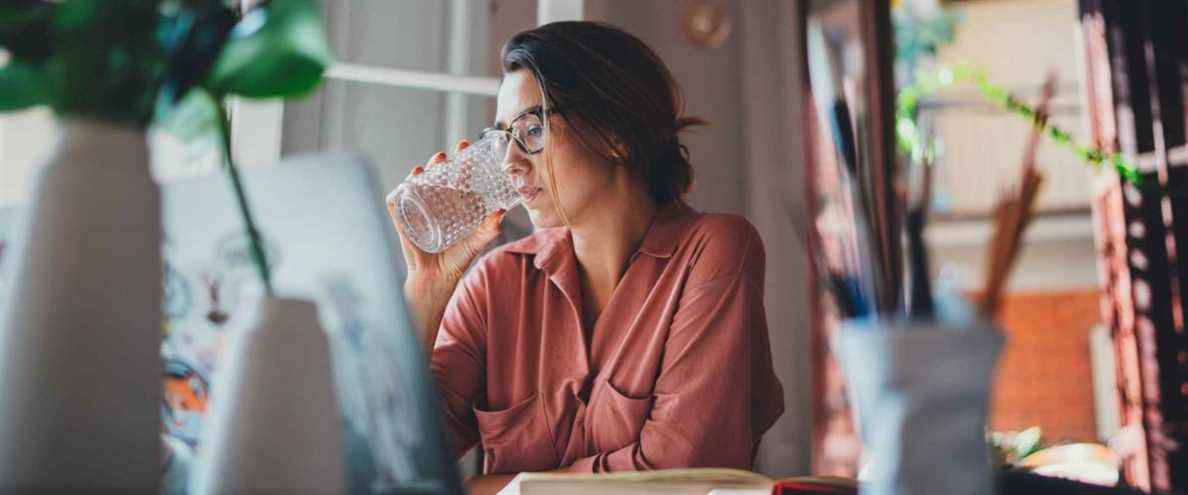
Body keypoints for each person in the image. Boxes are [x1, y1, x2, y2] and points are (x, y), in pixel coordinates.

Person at [388, 21, 784, 492]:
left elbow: (681, 476)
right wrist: (426, 288)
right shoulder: (497, 282)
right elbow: (395, 457)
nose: (511, 163)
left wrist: (484, 488)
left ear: (616, 132)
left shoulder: (714, 251)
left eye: (532, 130)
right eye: (503, 139)